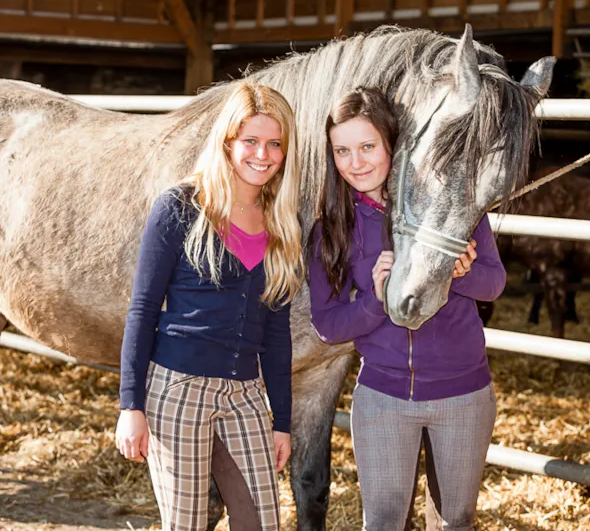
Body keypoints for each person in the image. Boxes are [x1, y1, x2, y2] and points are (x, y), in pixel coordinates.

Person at [308, 87, 504, 531]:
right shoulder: (333, 228)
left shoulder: (453, 203)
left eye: (367, 146)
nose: (355, 163)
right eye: (342, 151)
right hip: (383, 395)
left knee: (456, 521)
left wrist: (458, 274)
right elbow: (327, 324)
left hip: (464, 393)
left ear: (392, 144)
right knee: (382, 523)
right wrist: (377, 301)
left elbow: (494, 285)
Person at [115, 80, 303, 531]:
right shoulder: (181, 207)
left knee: (261, 522)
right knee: (187, 524)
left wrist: (281, 421)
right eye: (251, 141)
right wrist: (130, 405)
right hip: (178, 389)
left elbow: (277, 336)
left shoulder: (282, 223)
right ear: (227, 141)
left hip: (246, 395)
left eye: (275, 144)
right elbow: (143, 309)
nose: (263, 154)